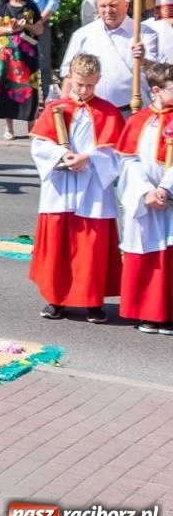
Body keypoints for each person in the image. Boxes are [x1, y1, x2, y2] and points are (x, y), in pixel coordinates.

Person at [28, 54, 124, 323]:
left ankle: (93, 302)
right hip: (61, 189)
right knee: (59, 245)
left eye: (90, 86)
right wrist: (61, 155)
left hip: (93, 189)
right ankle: (56, 299)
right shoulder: (55, 108)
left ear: (99, 82)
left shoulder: (109, 112)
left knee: (91, 249)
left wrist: (89, 158)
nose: (83, 91)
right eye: (79, 84)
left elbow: (118, 155)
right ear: (70, 77)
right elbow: (38, 145)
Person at [113, 62, 173, 334]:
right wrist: (146, 191)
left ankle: (169, 312)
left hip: (169, 199)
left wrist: (166, 189)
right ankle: (147, 312)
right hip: (145, 200)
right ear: (157, 91)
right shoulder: (139, 121)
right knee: (147, 253)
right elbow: (127, 161)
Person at [60, 0, 159, 116]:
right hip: (93, 112)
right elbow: (69, 75)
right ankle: (21, 133)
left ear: (126, 5)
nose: (108, 10)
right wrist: (64, 108)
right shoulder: (83, 34)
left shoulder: (144, 33)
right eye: (103, 6)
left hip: (133, 111)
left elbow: (156, 74)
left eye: (113, 5)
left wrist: (143, 60)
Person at [0, 0, 44, 140]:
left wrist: (26, 25)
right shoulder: (2, 6)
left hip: (27, 56)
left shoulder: (31, 6)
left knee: (30, 90)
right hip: (6, 56)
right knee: (8, 90)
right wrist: (11, 29)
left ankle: (32, 127)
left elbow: (39, 30)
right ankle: (9, 128)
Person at [18, 0, 61, 95]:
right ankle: (29, 97)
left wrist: (39, 21)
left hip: (41, 24)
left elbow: (53, 2)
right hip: (21, 25)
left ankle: (48, 98)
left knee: (43, 61)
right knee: (24, 61)